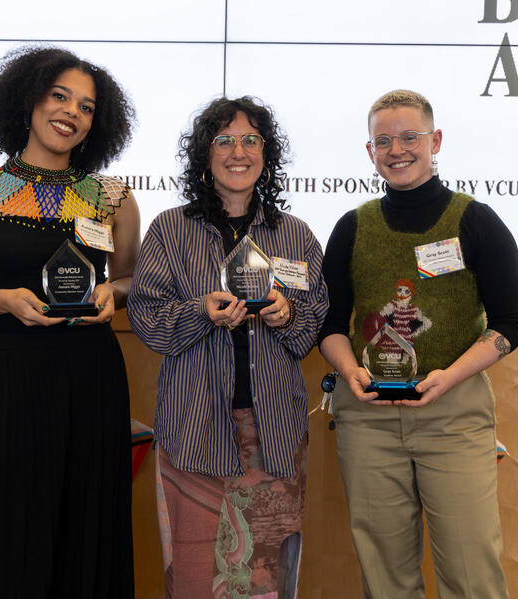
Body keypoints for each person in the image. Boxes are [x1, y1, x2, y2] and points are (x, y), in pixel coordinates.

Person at [0, 46, 139, 598]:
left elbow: (130, 282)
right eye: (60, 96)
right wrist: (3, 300)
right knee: (5, 513)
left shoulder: (113, 197)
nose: (71, 112)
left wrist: (111, 292)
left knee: (85, 514)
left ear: (98, 123)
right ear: (30, 100)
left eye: (87, 106)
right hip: (12, 378)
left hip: (91, 378)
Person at [319, 89, 518, 599]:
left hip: (454, 415)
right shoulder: (351, 227)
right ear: (370, 153)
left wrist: (449, 377)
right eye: (383, 140)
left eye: (410, 136)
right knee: (385, 576)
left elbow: (509, 326)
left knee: (472, 572)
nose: (397, 149)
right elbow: (329, 325)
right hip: (367, 420)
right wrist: (350, 372)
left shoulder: (477, 221)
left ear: (434, 141)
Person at [127, 96, 328, 598]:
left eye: (250, 140)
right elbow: (147, 321)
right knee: (195, 577)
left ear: (266, 154)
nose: (238, 151)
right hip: (194, 430)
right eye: (223, 140)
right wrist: (201, 311)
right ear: (205, 154)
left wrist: (287, 315)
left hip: (273, 432)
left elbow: (310, 331)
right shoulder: (170, 231)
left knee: (264, 579)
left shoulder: (295, 237)